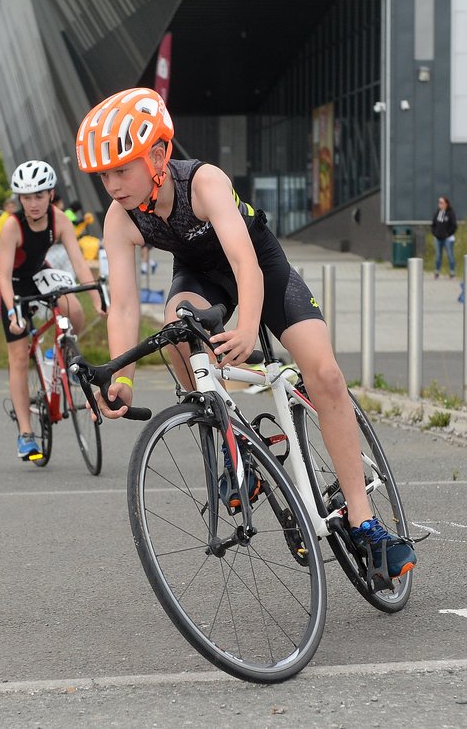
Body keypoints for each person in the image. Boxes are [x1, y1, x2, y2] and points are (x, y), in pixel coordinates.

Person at [75, 87, 415, 580]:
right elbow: (124, 305)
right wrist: (121, 378)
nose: (112, 184)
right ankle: (226, 432)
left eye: (121, 169)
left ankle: (364, 522)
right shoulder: (120, 218)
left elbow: (246, 264)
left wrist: (246, 327)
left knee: (324, 373)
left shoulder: (204, 181)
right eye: (103, 175)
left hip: (261, 270)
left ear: (157, 155)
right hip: (202, 280)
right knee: (176, 322)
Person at [0, 160, 103, 461]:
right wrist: (14, 312)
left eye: (39, 196)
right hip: (13, 285)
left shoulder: (59, 219)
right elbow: (3, 275)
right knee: (18, 357)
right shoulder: (11, 226)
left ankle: (56, 353)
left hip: (39, 273)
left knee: (73, 308)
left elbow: (79, 261)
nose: (32, 204)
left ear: (51, 194)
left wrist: (95, 297)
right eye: (26, 198)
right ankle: (26, 433)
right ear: (19, 199)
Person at [431, 195, 458, 279]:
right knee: (438, 255)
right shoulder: (438, 212)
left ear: (446, 203)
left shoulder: (450, 212)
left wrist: (448, 234)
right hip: (438, 237)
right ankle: (437, 271)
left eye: (442, 202)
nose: (440, 204)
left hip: (448, 238)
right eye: (439, 202)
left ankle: (452, 271)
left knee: (450, 255)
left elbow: (454, 225)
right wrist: (434, 233)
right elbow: (433, 224)